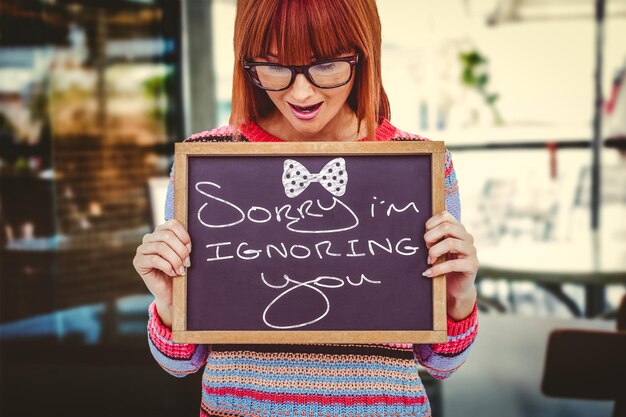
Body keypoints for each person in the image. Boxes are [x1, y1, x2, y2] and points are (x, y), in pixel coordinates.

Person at [133, 0, 479, 416]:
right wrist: (172, 305)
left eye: (326, 65)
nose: (302, 92)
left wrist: (459, 300)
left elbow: (442, 363)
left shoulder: (419, 166)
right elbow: (179, 363)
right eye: (275, 67)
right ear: (248, 62)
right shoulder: (207, 162)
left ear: (363, 54)